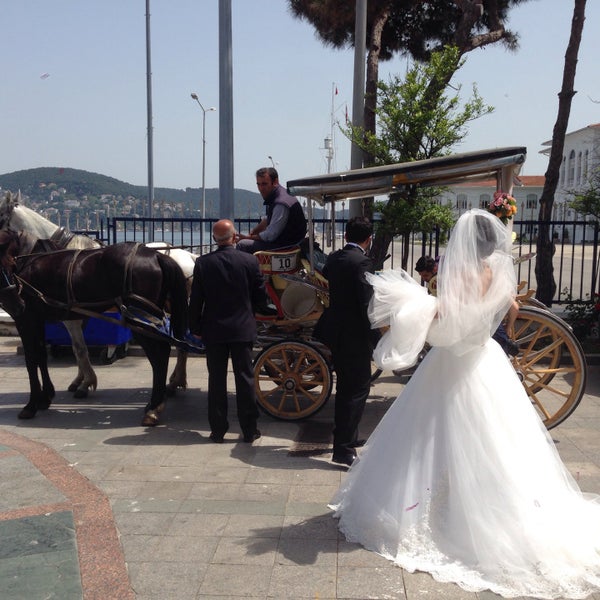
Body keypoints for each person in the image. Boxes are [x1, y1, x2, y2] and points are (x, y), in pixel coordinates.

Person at [329, 209, 600, 599]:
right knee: (494, 438)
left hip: (454, 360)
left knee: (431, 432)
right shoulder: (498, 275)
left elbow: (448, 323)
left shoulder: (462, 274)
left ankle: (442, 508)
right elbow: (511, 311)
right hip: (486, 359)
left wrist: (419, 307)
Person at [189, 219, 271, 444]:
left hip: (214, 330)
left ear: (215, 239)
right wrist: (259, 312)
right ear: (234, 237)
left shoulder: (204, 264)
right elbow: (260, 297)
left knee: (216, 380)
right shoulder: (249, 262)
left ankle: (218, 430)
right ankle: (249, 429)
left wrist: (195, 328)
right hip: (242, 328)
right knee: (245, 379)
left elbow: (196, 300)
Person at [313, 216, 376, 467]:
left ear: (347, 235)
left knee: (346, 389)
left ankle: (347, 438)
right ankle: (344, 447)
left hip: (335, 331)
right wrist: (375, 337)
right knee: (357, 390)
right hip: (355, 335)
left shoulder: (334, 259)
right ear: (368, 239)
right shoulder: (362, 262)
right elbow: (365, 304)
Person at [237, 167, 307, 253]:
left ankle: (245, 266)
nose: (261, 188)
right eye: (258, 184)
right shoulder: (282, 194)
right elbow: (268, 219)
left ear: (275, 182)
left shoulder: (281, 203)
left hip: (285, 247)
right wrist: (252, 233)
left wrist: (247, 238)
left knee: (242, 244)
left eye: (264, 184)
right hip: (290, 244)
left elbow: (270, 235)